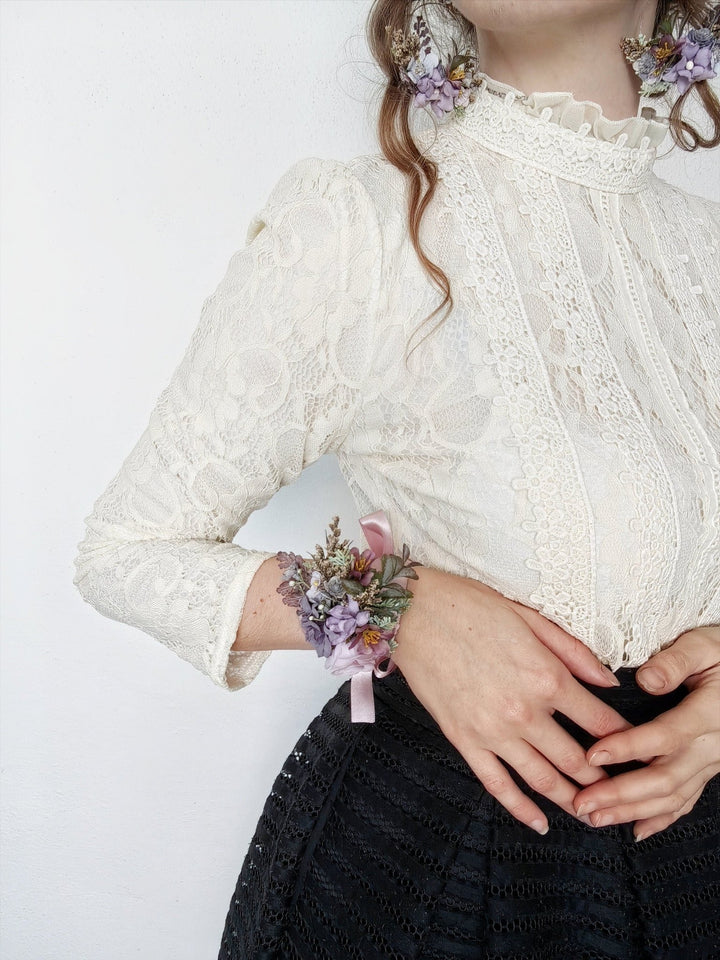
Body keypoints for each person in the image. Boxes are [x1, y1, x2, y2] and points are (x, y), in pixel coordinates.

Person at [72, 0, 720, 956]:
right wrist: (396, 608)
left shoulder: (706, 251)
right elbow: (127, 552)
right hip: (429, 873)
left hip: (691, 871)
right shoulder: (362, 227)